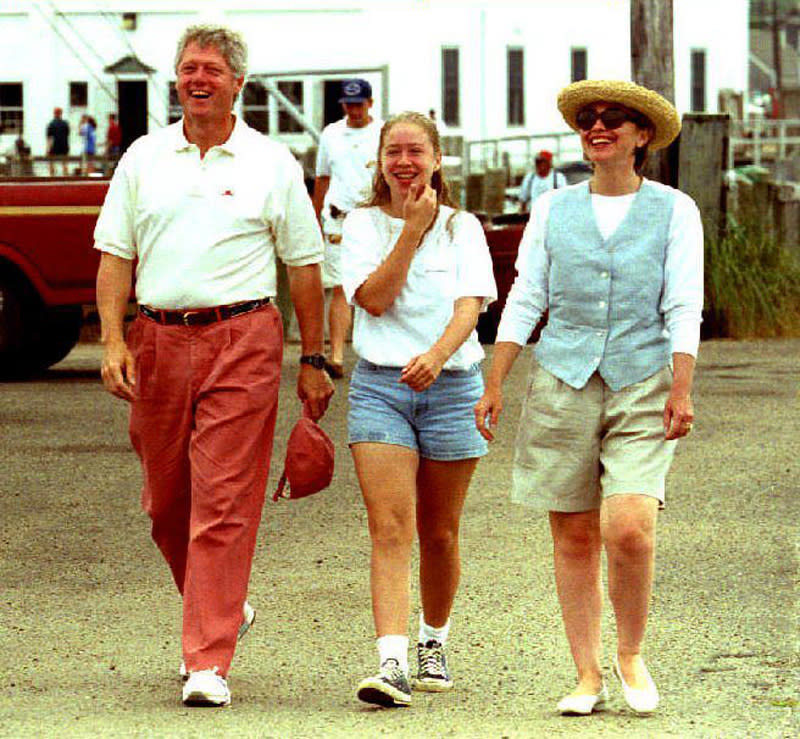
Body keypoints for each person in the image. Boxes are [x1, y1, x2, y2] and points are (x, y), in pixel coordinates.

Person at [94, 24, 334, 708]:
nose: (197, 79)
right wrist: (113, 341)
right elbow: (115, 255)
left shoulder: (272, 162)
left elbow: (305, 265)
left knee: (225, 497)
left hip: (244, 336)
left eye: (210, 70)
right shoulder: (144, 158)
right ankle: (224, 601)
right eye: (187, 69)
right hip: (160, 340)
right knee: (166, 500)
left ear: (237, 83)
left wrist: (312, 356)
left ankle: (206, 658)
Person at [474, 80, 703, 717]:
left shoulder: (675, 210)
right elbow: (526, 297)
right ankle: (586, 672)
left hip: (643, 380)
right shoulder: (553, 208)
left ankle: (631, 651)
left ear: (642, 137)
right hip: (562, 380)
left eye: (613, 120)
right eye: (588, 120)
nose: (597, 128)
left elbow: (684, 303)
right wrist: (497, 380)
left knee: (628, 527)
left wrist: (681, 387)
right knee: (573, 533)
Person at [341, 111, 497, 707]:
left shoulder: (464, 229)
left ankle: (435, 640)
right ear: (379, 161)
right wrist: (409, 230)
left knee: (440, 530)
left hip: (451, 385)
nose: (404, 162)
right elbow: (374, 301)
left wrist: (435, 356)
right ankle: (392, 661)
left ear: (436, 160)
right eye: (393, 152)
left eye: (415, 151)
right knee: (389, 525)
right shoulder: (359, 226)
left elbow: (469, 308)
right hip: (381, 386)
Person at [312, 78, 382, 379]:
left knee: (378, 285)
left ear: (370, 103)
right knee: (340, 286)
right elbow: (322, 177)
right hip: (338, 218)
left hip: (374, 216)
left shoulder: (383, 132)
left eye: (359, 104)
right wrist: (314, 217)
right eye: (348, 104)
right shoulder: (331, 134)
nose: (354, 110)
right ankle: (337, 354)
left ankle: (381, 352)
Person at [46, 107, 69, 176]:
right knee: (64, 163)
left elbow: (49, 138)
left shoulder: (51, 124)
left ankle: (52, 177)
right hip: (64, 145)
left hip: (54, 146)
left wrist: (48, 148)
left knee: (51, 162)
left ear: (54, 113)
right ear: (61, 113)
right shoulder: (65, 124)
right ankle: (66, 178)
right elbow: (67, 135)